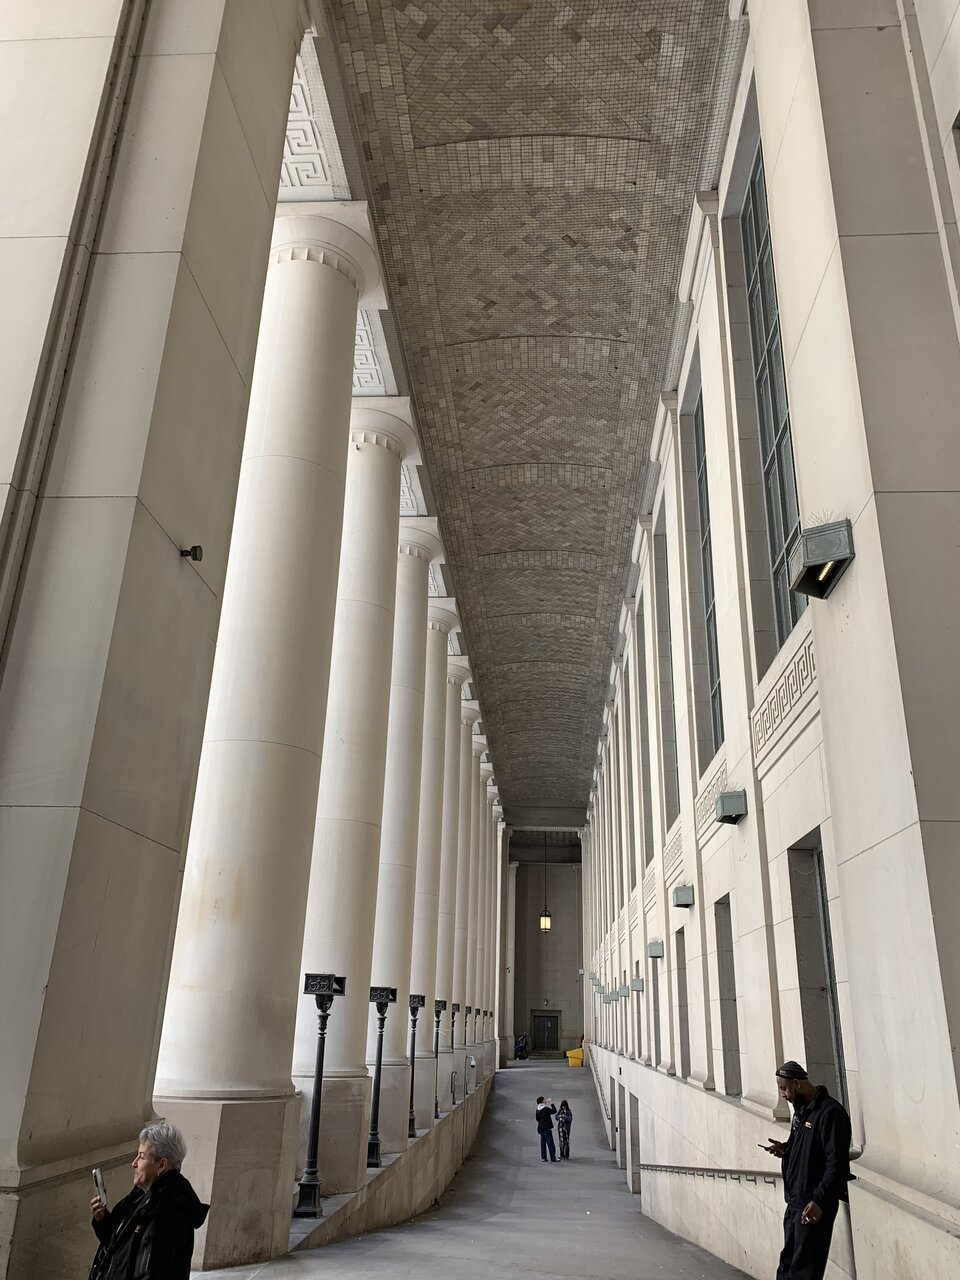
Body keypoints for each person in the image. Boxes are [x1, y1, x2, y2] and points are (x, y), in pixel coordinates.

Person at [760, 1061, 852, 1280]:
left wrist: (819, 1201)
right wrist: (786, 1149)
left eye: (784, 1088)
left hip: (813, 1205)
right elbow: (806, 1148)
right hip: (795, 1202)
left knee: (804, 1271)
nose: (783, 1095)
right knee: (787, 1267)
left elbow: (836, 1164)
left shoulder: (830, 1113)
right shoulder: (802, 1112)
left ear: (798, 1084)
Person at [88, 1123, 209, 1280]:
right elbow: (120, 1246)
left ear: (161, 1165)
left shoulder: (165, 1210)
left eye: (142, 1157)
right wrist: (103, 1220)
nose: (134, 1163)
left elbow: (152, 1271)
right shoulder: (142, 1195)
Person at [536, 1096, 558, 1162]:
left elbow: (537, 1119)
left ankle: (544, 1157)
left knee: (543, 1143)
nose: (545, 1101)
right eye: (544, 1100)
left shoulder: (537, 1109)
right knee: (550, 1143)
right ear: (542, 1101)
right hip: (546, 1128)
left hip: (541, 1128)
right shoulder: (545, 1109)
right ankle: (553, 1158)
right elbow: (554, 1111)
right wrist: (551, 1103)